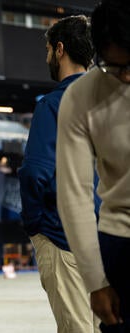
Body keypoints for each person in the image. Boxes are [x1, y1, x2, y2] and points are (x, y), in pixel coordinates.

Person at [18, 15, 101, 332]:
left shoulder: (54, 104)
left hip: (64, 236)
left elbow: (35, 171)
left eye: (49, 50)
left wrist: (34, 224)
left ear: (60, 49)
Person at [57, 0, 130, 332]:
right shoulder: (83, 96)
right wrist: (95, 282)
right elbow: (74, 195)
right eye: (116, 67)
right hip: (122, 242)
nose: (126, 76)